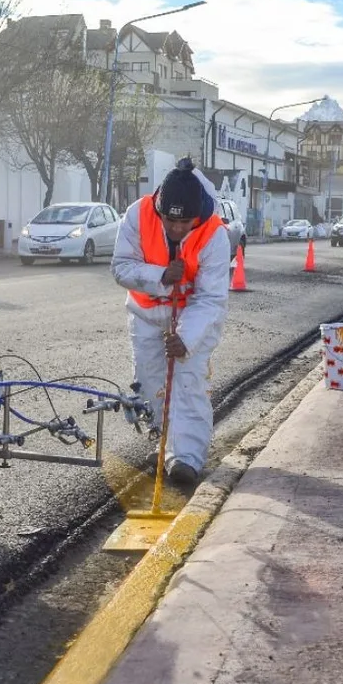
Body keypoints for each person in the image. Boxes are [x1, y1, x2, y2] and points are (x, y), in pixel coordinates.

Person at [112, 158, 230, 488]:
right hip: (147, 313)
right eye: (169, 220)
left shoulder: (214, 234)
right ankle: (165, 445)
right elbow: (121, 268)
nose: (176, 228)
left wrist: (186, 338)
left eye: (184, 222)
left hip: (195, 313)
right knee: (151, 383)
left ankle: (187, 458)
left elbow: (210, 299)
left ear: (198, 215)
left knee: (187, 381)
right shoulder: (138, 214)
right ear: (159, 207)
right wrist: (161, 276)